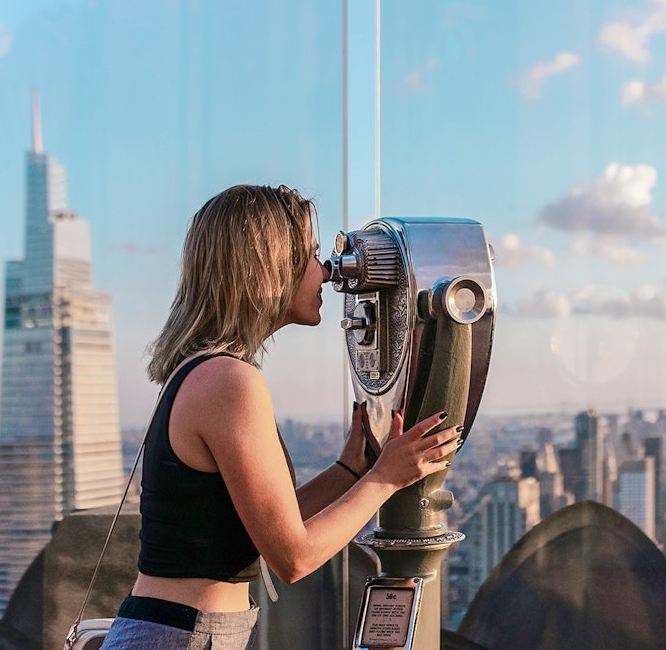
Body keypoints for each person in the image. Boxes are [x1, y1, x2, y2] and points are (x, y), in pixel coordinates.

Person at [100, 184, 460, 648]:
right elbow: (292, 557)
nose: (327, 273)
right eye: (311, 256)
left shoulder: (203, 372)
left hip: (180, 630)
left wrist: (351, 471)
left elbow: (260, 527)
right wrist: (387, 478)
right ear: (269, 268)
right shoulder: (230, 383)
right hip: (185, 635)